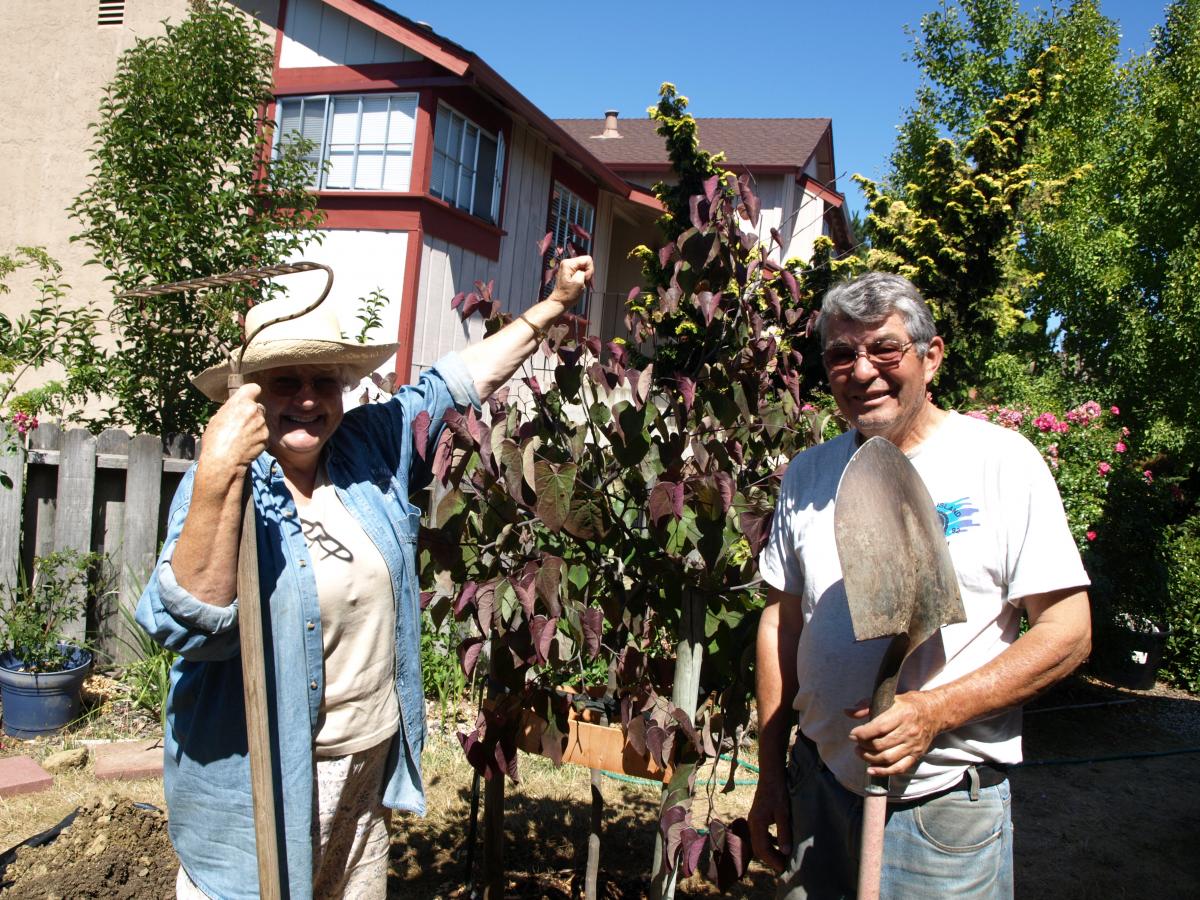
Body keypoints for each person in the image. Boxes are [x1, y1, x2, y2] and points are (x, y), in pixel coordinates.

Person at [136, 256, 594, 900]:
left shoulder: (365, 449)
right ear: (251, 395)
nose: (305, 398)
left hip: (363, 762)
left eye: (322, 381)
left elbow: (456, 382)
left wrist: (553, 304)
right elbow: (185, 622)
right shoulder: (226, 484)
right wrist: (216, 471)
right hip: (261, 775)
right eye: (285, 381)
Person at [748, 271, 1092, 899]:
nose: (863, 370)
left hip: (941, 804)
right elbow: (781, 623)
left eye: (885, 348)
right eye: (842, 354)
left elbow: (1069, 633)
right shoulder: (809, 471)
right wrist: (771, 773)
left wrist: (934, 711)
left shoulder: (1000, 461)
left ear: (930, 358)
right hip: (817, 782)